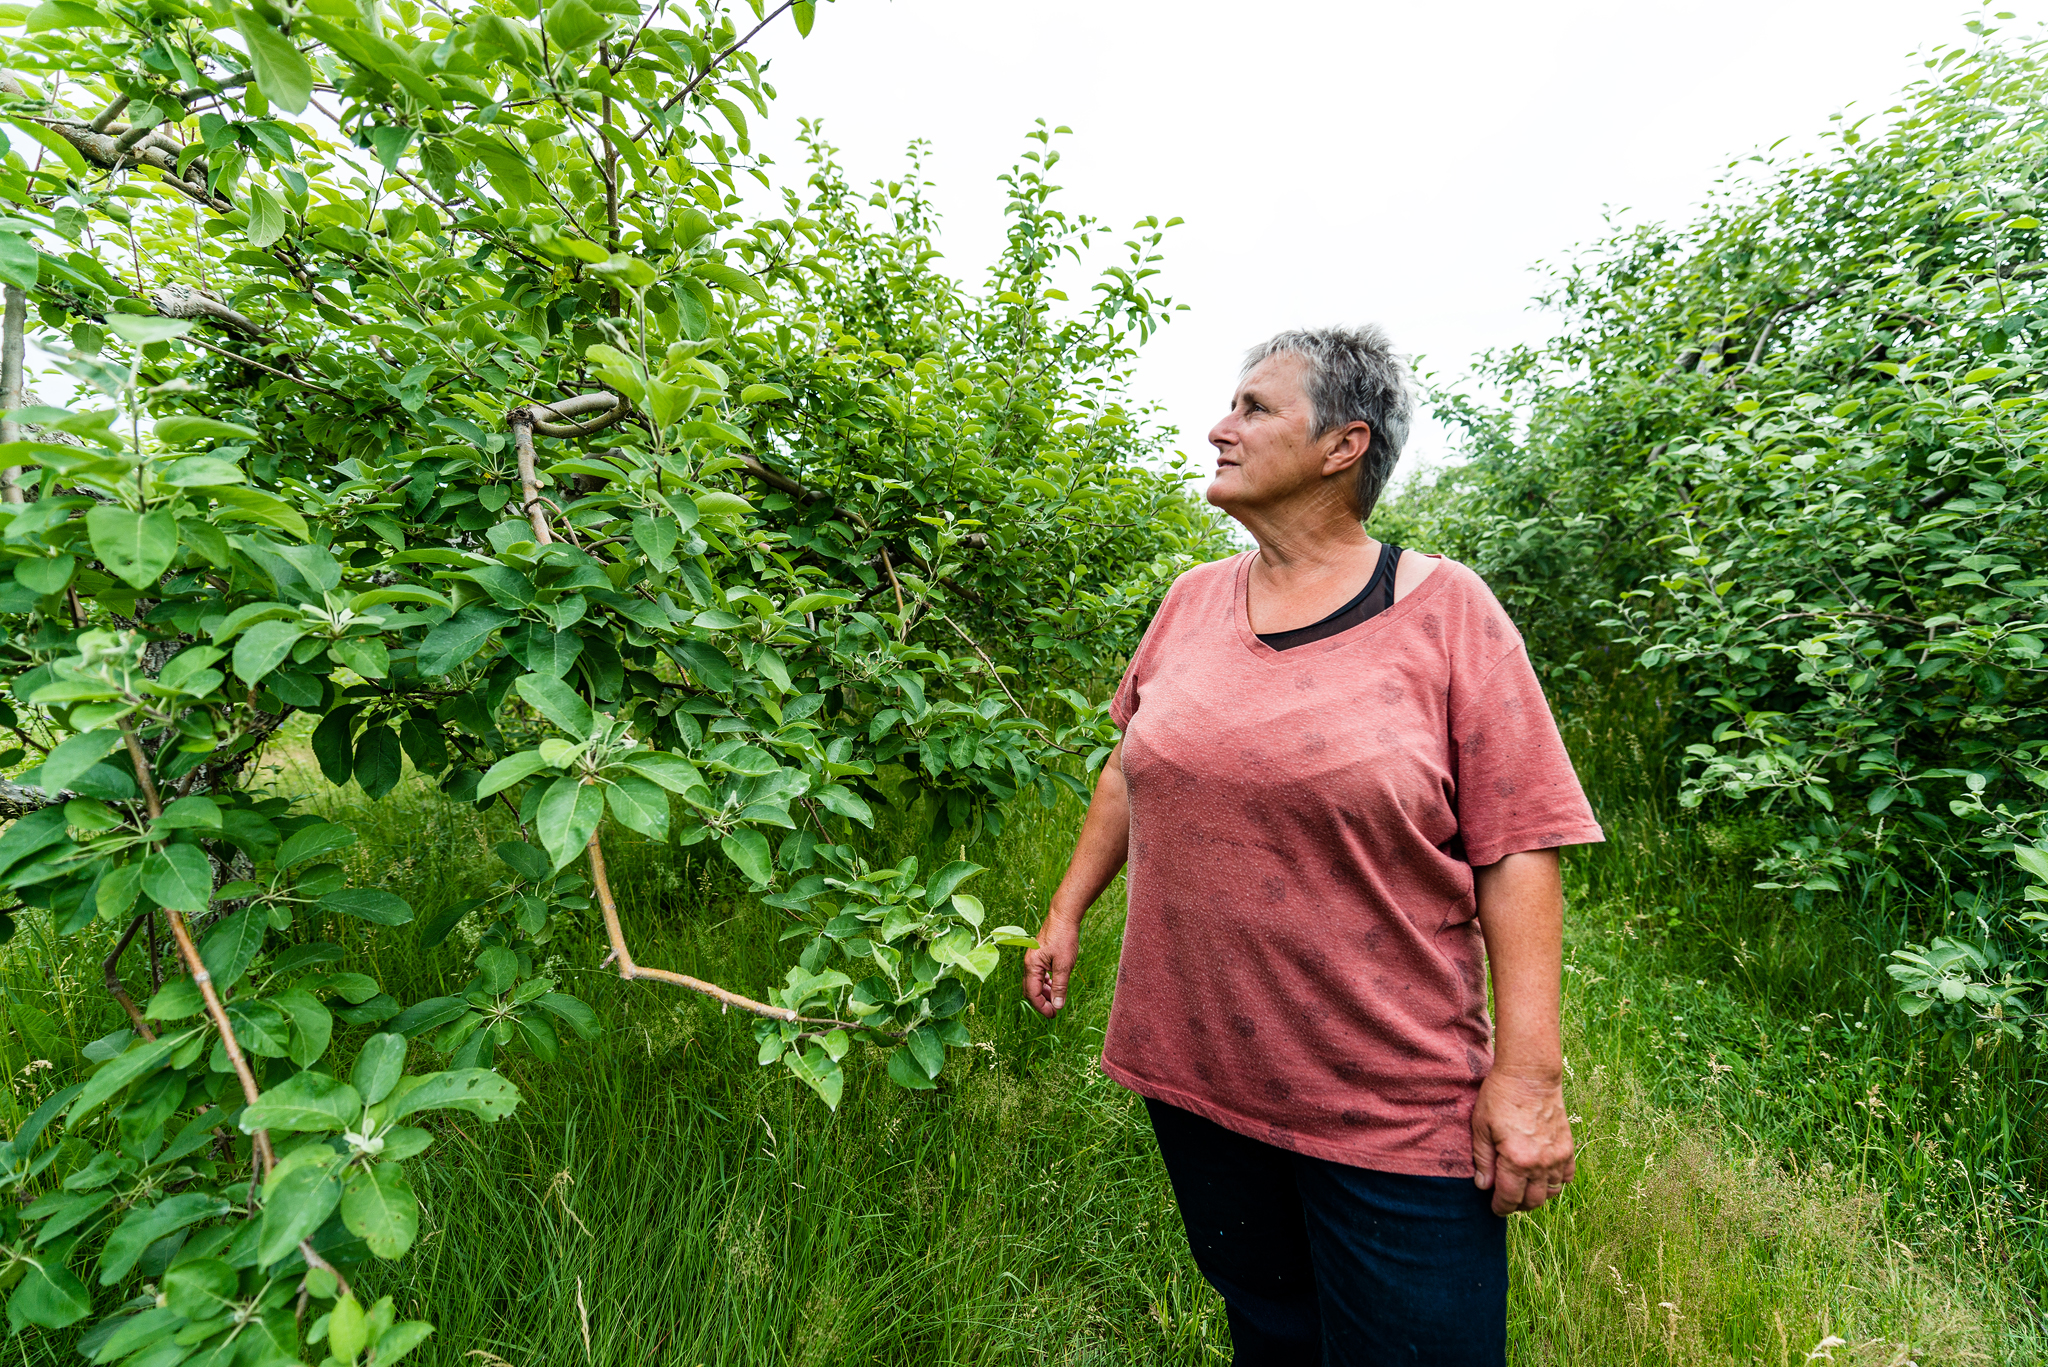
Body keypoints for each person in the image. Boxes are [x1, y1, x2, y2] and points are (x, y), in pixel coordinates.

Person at [1022, 326, 1603, 1366]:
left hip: (1382, 1093)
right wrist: (1067, 909)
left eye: (1251, 408)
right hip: (1199, 1071)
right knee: (1271, 1328)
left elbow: (1519, 846)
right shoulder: (1192, 599)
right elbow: (1127, 764)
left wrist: (1528, 1075)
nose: (1218, 426)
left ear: (1343, 446)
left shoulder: (1444, 613)